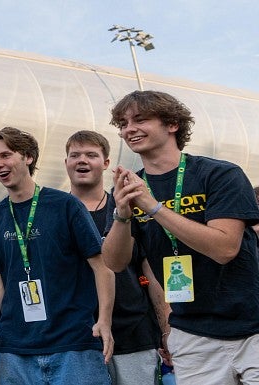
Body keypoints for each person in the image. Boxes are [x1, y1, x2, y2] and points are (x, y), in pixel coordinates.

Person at [102, 90, 259, 384]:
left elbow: (225, 248)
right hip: (192, 335)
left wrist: (153, 207)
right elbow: (115, 262)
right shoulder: (129, 188)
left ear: (172, 123)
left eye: (140, 119)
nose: (129, 129)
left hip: (252, 327)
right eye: (123, 123)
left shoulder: (220, 174)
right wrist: (122, 213)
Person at [0, 127, 113, 384]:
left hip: (72, 344)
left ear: (28, 157)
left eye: (6, 155)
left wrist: (104, 320)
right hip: (15, 350)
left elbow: (101, 266)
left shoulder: (65, 205)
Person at [65, 129, 165, 385]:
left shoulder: (126, 207)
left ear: (106, 163)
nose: (82, 160)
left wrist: (166, 328)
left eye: (91, 155)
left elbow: (149, 272)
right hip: (77, 338)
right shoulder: (56, 212)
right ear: (66, 163)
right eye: (74, 155)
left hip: (134, 334)